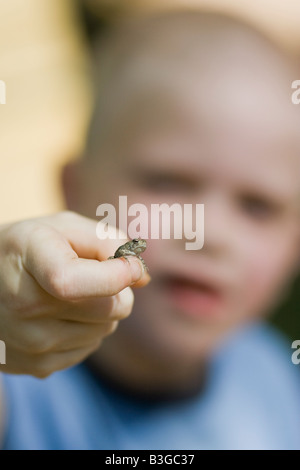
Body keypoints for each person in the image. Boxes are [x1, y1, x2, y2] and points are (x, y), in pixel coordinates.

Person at [1, 10, 300, 450]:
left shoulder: (275, 378)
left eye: (258, 207)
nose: (208, 233)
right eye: (168, 183)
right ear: (75, 189)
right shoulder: (19, 383)